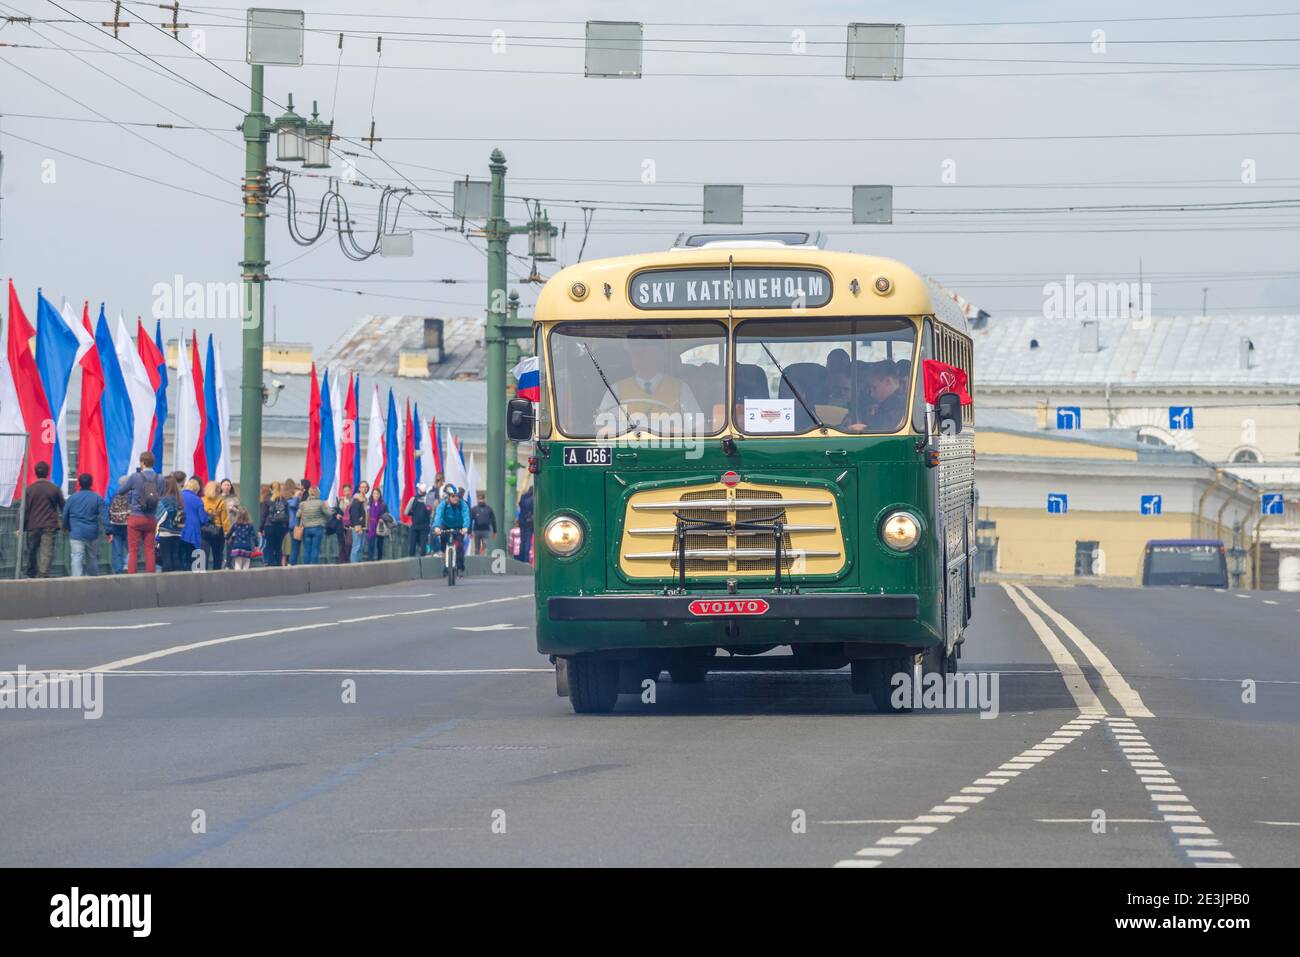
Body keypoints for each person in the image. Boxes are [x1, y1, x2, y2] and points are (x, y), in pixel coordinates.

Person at [597, 336, 702, 434]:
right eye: (635, 353)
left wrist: (680, 432)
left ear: (657, 355)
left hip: (670, 450)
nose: (639, 358)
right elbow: (602, 428)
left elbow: (698, 429)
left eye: (645, 353)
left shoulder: (680, 388)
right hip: (629, 450)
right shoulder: (616, 390)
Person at [118, 450, 162, 573]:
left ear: (142, 462)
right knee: (150, 549)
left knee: (133, 549)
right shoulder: (159, 478)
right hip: (151, 518)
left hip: (136, 516)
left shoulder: (135, 477)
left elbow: (121, 491)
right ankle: (150, 576)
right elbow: (161, 494)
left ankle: (132, 576)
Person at [21, 461, 64, 578]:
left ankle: (31, 573)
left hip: (32, 525)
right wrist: (64, 525)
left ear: (35, 473)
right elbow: (63, 507)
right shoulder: (54, 489)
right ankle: (43, 574)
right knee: (47, 550)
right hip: (49, 524)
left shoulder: (29, 490)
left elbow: (24, 509)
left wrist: (19, 527)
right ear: (48, 473)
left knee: (32, 550)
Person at [61, 473, 105, 577]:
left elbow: (65, 514)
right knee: (92, 557)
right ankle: (93, 579)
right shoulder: (97, 498)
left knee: (76, 557)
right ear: (91, 483)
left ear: (79, 483)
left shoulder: (72, 498)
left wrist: (65, 526)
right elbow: (104, 516)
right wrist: (109, 531)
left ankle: (76, 581)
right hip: (92, 533)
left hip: (76, 533)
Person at [433, 486, 471, 576]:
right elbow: (438, 515)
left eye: (457, 496)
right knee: (442, 539)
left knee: (460, 547)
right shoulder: (443, 504)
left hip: (459, 526)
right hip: (446, 525)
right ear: (449, 496)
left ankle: (461, 568)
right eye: (453, 496)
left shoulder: (463, 505)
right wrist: (437, 527)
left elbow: (466, 516)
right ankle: (444, 559)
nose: (456, 498)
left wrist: (465, 528)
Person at [864, 361, 908, 431]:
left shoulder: (896, 406)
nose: (871, 393)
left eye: (874, 387)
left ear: (888, 381)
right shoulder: (891, 404)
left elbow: (884, 430)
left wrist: (864, 429)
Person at [155, 475, 186, 572]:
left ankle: (167, 581)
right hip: (177, 531)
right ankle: (177, 580)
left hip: (165, 532)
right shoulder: (179, 499)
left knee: (166, 558)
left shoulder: (163, 500)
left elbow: (158, 517)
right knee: (175, 556)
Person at [179, 478, 210, 570]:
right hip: (192, 531)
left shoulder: (178, 496)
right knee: (191, 557)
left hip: (178, 529)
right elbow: (203, 518)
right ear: (196, 489)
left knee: (179, 555)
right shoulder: (198, 500)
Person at [261, 481, 289, 568]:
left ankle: (270, 564)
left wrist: (260, 529)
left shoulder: (267, 499)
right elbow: (287, 516)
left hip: (269, 526)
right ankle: (278, 564)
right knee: (278, 547)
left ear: (271, 489)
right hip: (281, 527)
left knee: (269, 546)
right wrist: (286, 529)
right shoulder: (284, 500)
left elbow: (263, 515)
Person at [202, 480, 229, 572]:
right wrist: (226, 531)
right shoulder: (220, 502)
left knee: (204, 553)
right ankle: (216, 572)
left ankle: (203, 572)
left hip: (204, 530)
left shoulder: (202, 500)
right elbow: (224, 519)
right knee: (217, 554)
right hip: (217, 530)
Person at [298, 486, 328, 565]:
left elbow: (297, 515)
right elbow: (328, 514)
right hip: (317, 528)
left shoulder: (303, 504)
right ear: (318, 493)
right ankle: (313, 567)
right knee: (315, 548)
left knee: (307, 549)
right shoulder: (320, 503)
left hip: (306, 529)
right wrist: (324, 520)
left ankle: (306, 566)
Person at [106, 488, 129, 574]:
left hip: (115, 526)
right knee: (132, 549)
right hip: (128, 526)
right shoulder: (131, 495)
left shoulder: (114, 496)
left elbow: (108, 511)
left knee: (117, 550)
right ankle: (127, 565)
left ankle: (118, 570)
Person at [405, 485, 432, 556]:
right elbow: (431, 512)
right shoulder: (428, 500)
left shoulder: (413, 499)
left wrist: (413, 513)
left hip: (414, 526)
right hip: (425, 527)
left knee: (412, 547)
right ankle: (423, 564)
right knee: (423, 547)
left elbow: (406, 512)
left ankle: (411, 563)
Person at [470, 490, 497, 556]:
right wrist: (470, 531)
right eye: (480, 499)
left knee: (484, 548)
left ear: (484, 499)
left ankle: (483, 561)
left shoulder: (488, 509)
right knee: (479, 548)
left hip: (484, 531)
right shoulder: (475, 509)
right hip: (479, 531)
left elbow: (493, 520)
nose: (481, 500)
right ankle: (477, 562)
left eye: (481, 499)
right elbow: (470, 520)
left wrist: (495, 531)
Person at [348, 482, 368, 564]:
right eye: (362, 487)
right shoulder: (356, 499)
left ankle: (359, 565)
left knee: (361, 547)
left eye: (366, 487)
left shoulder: (365, 499)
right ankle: (354, 566)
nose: (364, 488)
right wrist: (357, 527)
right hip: (358, 527)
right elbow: (354, 514)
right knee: (356, 547)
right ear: (359, 488)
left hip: (364, 527)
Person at [365, 487, 387, 561]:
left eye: (377, 494)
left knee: (380, 544)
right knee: (371, 544)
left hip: (380, 526)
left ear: (380, 495)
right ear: (372, 495)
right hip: (371, 526)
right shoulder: (369, 504)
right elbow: (366, 515)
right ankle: (370, 559)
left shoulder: (383, 504)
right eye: (374, 493)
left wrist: (382, 518)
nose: (376, 495)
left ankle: (380, 559)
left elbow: (386, 514)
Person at [333, 484, 353, 563]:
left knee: (349, 543)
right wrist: (336, 515)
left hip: (350, 525)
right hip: (341, 525)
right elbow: (334, 511)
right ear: (343, 492)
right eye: (345, 491)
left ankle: (348, 559)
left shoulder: (353, 500)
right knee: (341, 543)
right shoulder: (339, 501)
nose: (347, 492)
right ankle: (342, 561)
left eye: (348, 490)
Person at [285, 478, 303, 566]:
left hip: (288, 525)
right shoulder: (291, 500)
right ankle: (291, 563)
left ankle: (289, 562)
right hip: (294, 526)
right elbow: (292, 505)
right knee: (295, 546)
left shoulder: (286, 499)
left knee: (290, 546)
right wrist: (297, 496)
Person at [517, 486, 534, 564]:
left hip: (522, 521)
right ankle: (526, 559)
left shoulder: (523, 497)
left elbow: (520, 505)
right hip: (530, 522)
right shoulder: (534, 498)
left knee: (522, 540)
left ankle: (521, 558)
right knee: (528, 541)